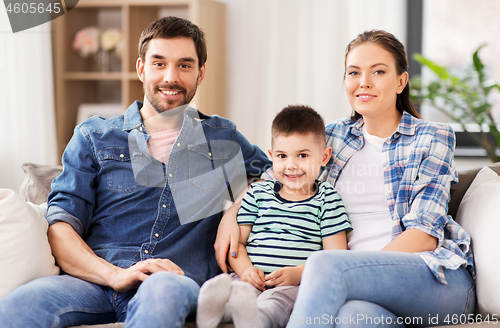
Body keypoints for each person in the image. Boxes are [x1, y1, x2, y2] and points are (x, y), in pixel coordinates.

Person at [0, 16, 270, 328]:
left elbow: (281, 176)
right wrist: (115, 275)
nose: (171, 77)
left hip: (173, 280)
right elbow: (60, 226)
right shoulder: (94, 135)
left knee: (164, 291)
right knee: (19, 306)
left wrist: (235, 210)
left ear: (200, 73)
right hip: (95, 283)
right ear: (141, 68)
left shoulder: (222, 136)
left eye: (184, 65)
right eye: (159, 63)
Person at [215, 30, 475, 327]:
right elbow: (271, 179)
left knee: (324, 267)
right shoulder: (335, 136)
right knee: (352, 318)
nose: (363, 82)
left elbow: (425, 235)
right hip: (354, 286)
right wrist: (230, 215)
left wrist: (352, 268)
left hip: (432, 277)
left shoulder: (432, 137)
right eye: (354, 72)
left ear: (401, 82)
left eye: (378, 71)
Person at [197, 105, 351, 328]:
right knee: (235, 290)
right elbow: (237, 244)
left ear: (324, 157)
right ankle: (216, 311)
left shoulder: (328, 199)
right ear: (271, 157)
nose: (291, 165)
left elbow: (335, 257)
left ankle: (254, 320)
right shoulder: (257, 194)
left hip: (292, 286)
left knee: (274, 304)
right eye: (282, 156)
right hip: (248, 278)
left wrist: (299, 274)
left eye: (303, 155)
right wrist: (246, 270)